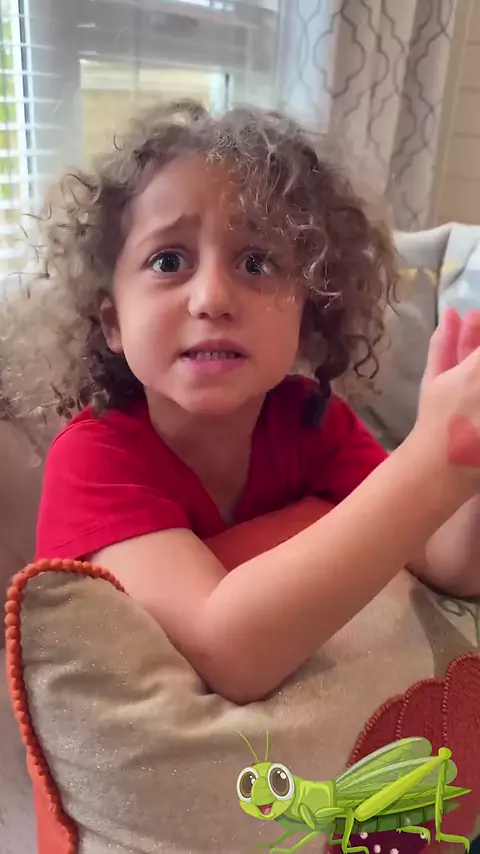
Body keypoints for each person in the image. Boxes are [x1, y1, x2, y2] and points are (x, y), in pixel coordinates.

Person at [4, 100, 480, 706]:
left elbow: (449, 563)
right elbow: (230, 654)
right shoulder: (93, 459)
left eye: (256, 262)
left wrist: (469, 470)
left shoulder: (311, 421)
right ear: (112, 322)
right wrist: (432, 461)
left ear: (310, 316)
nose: (212, 298)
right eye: (168, 261)